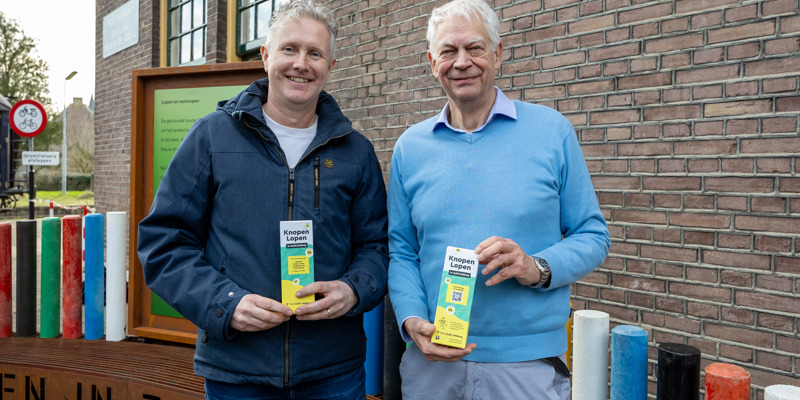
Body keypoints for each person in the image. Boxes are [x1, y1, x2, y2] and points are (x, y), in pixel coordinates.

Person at [137, 1, 388, 398]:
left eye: (315, 53)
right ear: (266, 56)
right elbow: (163, 243)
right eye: (289, 49)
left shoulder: (356, 152)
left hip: (334, 372)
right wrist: (225, 303)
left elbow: (376, 246)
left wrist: (354, 289)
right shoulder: (211, 139)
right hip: (238, 371)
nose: (301, 64)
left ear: (330, 66)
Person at [387, 0, 611, 398]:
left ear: (498, 53)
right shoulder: (410, 148)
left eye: (474, 48)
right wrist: (410, 320)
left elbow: (592, 235)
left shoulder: (551, 132)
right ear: (431, 60)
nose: (462, 62)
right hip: (431, 364)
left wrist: (535, 266)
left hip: (526, 367)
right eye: (448, 51)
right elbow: (402, 250)